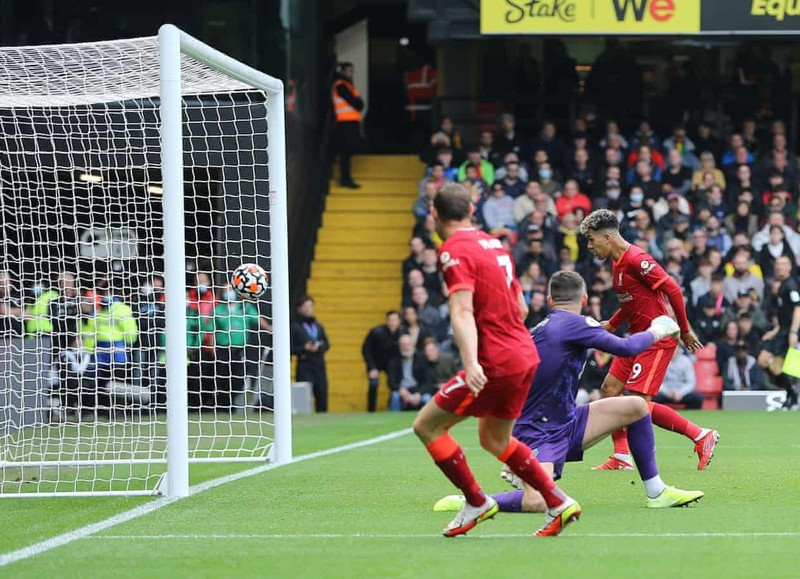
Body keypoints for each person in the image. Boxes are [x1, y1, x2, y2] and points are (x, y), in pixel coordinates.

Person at [433, 271, 703, 516]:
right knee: (537, 502)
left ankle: (657, 492)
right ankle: (475, 500)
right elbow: (628, 347)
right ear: (584, 298)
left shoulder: (545, 328)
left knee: (635, 407)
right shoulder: (574, 326)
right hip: (539, 431)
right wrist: (657, 331)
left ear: (550, 299)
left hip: (566, 420)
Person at [411, 182, 581, 538]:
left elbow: (461, 310)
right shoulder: (497, 245)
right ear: (473, 210)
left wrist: (472, 362)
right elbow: (519, 307)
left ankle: (476, 500)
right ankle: (558, 501)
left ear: (435, 216)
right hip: (523, 354)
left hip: (495, 361)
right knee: (495, 440)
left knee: (427, 426)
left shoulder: (453, 249)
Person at [579, 209, 719, 471]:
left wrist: (684, 330)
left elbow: (673, 289)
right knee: (610, 390)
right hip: (637, 337)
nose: (589, 246)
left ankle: (701, 435)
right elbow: (632, 301)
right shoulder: (617, 262)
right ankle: (621, 457)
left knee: (637, 406)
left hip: (657, 339)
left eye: (591, 240)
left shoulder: (637, 259)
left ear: (607, 238)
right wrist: (612, 323)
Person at [757, 255, 800, 409]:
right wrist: (775, 331)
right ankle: (792, 392)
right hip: (781, 331)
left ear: (789, 267)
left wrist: (794, 332)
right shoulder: (781, 286)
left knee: (778, 366)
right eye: (778, 264)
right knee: (763, 360)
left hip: (789, 332)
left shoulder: (791, 285)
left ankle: (792, 394)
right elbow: (784, 314)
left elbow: (798, 308)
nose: (780, 267)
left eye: (783, 264)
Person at [290, 295, 330, 413]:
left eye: (310, 306)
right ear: (299, 309)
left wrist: (319, 346)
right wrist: (304, 348)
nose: (308, 309)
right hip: (304, 364)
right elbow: (291, 348)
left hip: (319, 363)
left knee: (322, 394)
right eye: (305, 306)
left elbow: (327, 344)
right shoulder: (295, 326)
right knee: (303, 396)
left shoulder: (318, 326)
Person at [362, 311, 405, 412]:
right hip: (376, 361)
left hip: (392, 363)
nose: (392, 323)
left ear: (399, 321)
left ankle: (394, 407)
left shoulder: (402, 332)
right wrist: (372, 367)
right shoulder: (376, 332)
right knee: (373, 384)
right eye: (390, 320)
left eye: (395, 320)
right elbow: (366, 350)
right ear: (386, 321)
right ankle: (371, 410)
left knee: (394, 384)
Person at [332, 62, 364, 189]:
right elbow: (358, 103)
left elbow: (359, 103)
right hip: (345, 123)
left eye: (352, 70)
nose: (350, 73)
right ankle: (345, 179)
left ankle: (346, 178)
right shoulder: (341, 85)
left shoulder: (348, 85)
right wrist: (358, 103)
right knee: (346, 152)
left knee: (348, 152)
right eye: (348, 70)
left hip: (350, 122)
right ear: (342, 72)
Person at [388, 334, 432, 411]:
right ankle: (393, 419)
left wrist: (419, 393)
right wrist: (400, 389)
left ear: (413, 346)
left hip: (418, 391)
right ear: (400, 347)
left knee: (427, 398)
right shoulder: (394, 361)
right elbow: (391, 382)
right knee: (395, 396)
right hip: (402, 391)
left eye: (408, 345)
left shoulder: (422, 360)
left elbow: (427, 382)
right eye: (403, 345)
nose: (406, 348)